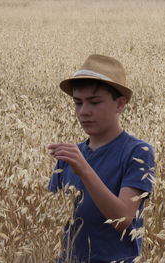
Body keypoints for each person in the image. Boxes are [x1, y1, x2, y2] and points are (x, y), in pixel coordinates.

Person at [47, 54, 155, 263]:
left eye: (94, 103)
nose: (83, 112)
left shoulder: (138, 153)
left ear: (120, 104)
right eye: (77, 103)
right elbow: (53, 223)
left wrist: (85, 170)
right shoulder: (69, 157)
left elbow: (123, 219)